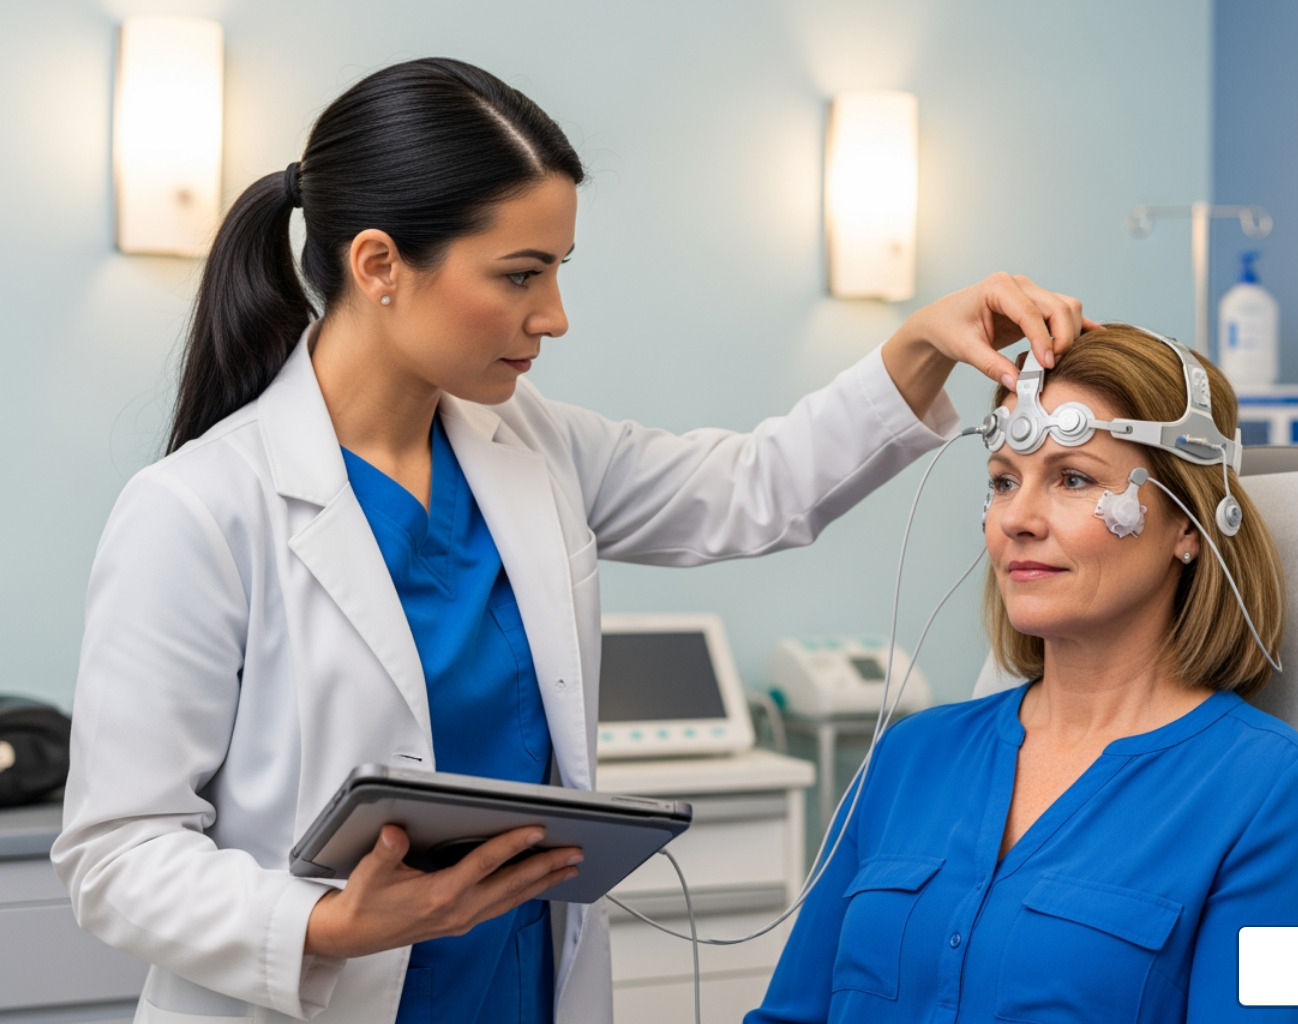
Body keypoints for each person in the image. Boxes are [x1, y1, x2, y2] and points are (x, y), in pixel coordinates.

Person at [50, 57, 1091, 1024]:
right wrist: (326, 924)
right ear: (379, 264)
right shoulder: (198, 509)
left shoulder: (526, 445)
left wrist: (917, 344)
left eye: (559, 269)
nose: (553, 315)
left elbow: (752, 488)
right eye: (519, 273)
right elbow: (116, 853)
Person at [747, 324, 1298, 1023]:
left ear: (1190, 525)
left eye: (1073, 478)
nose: (1018, 517)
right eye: (1005, 480)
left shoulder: (1276, 796)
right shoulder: (908, 758)